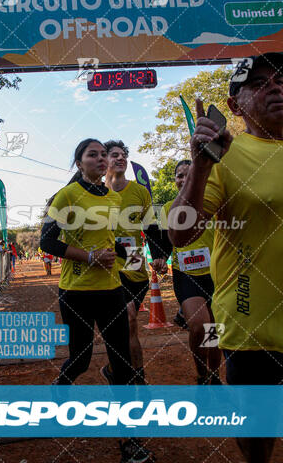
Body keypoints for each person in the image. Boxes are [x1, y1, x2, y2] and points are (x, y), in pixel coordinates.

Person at [168, 53, 283, 463]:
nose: (276, 86)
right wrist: (199, 168)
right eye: (260, 83)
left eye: (280, 79)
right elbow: (180, 233)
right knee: (260, 433)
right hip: (254, 323)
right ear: (234, 106)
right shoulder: (225, 156)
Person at [40, 138, 155, 463]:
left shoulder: (116, 199)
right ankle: (60, 386)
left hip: (111, 290)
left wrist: (140, 256)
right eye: (94, 154)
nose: (102, 159)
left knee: (121, 364)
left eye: (104, 155)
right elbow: (47, 241)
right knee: (82, 359)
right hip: (76, 291)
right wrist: (88, 256)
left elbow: (113, 242)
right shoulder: (66, 196)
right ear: (80, 163)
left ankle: (130, 440)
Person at [157, 160, 221, 385]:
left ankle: (213, 375)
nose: (183, 180)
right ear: (174, 180)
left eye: (188, 175)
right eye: (179, 176)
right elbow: (165, 241)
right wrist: (161, 258)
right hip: (186, 274)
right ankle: (201, 370)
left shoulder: (213, 201)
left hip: (216, 274)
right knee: (199, 326)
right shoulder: (167, 208)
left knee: (215, 330)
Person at [102, 140, 154, 385]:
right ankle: (138, 379)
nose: (120, 158)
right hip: (108, 266)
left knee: (126, 327)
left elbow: (151, 226)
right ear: (105, 161)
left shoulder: (140, 191)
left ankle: (116, 370)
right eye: (115, 155)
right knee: (130, 317)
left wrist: (161, 254)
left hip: (135, 265)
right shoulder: (94, 192)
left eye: (123, 155)